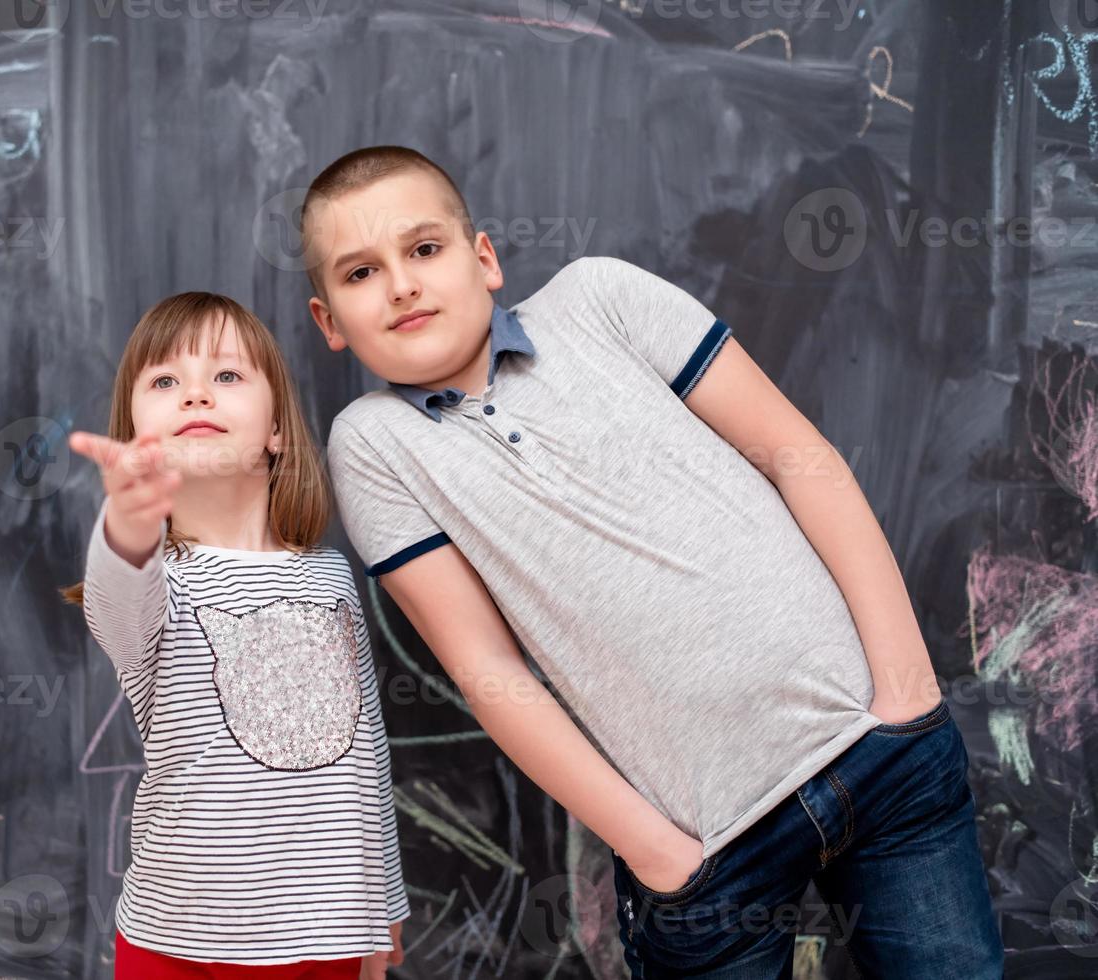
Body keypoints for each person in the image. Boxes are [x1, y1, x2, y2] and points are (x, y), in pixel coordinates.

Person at [302, 145, 1003, 978]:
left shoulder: (599, 298)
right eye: (361, 273)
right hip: (705, 850)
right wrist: (654, 847)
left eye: (424, 250)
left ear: (483, 258)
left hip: (877, 745)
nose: (402, 285)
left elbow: (793, 453)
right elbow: (485, 665)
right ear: (329, 323)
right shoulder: (376, 445)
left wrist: (907, 686)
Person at [64, 291, 408, 979]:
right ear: (137, 437)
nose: (196, 395)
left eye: (226, 376)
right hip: (174, 937)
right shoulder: (158, 580)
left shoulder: (331, 578)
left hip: (324, 936)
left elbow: (366, 756)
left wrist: (385, 909)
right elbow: (115, 591)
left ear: (276, 429)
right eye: (164, 382)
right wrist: (129, 519)